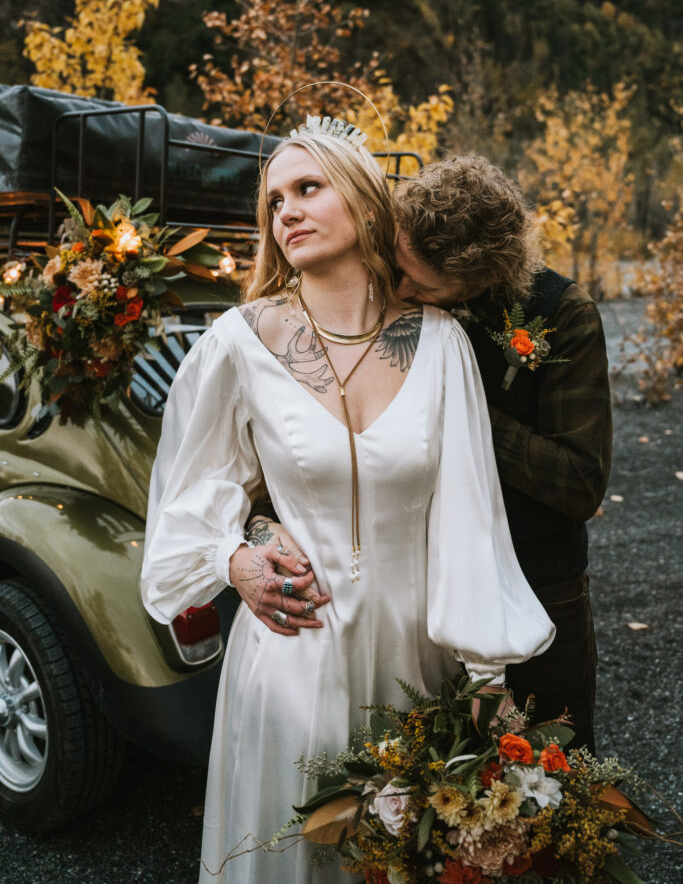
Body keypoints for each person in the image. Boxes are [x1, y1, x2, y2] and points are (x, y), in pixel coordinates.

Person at [141, 121, 554, 884]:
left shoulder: (439, 340)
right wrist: (233, 558)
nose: (285, 212)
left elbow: (468, 516)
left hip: (416, 666)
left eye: (307, 188)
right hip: (293, 654)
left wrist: (486, 683)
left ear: (365, 206)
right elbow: (187, 490)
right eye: (272, 201)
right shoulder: (237, 340)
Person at [390, 154, 612, 752]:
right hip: (424, 589)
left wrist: (464, 412)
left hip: (539, 589)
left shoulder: (564, 315)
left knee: (551, 774)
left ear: (481, 273)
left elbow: (579, 484)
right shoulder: (391, 297)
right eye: (397, 267)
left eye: (420, 284)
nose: (400, 290)